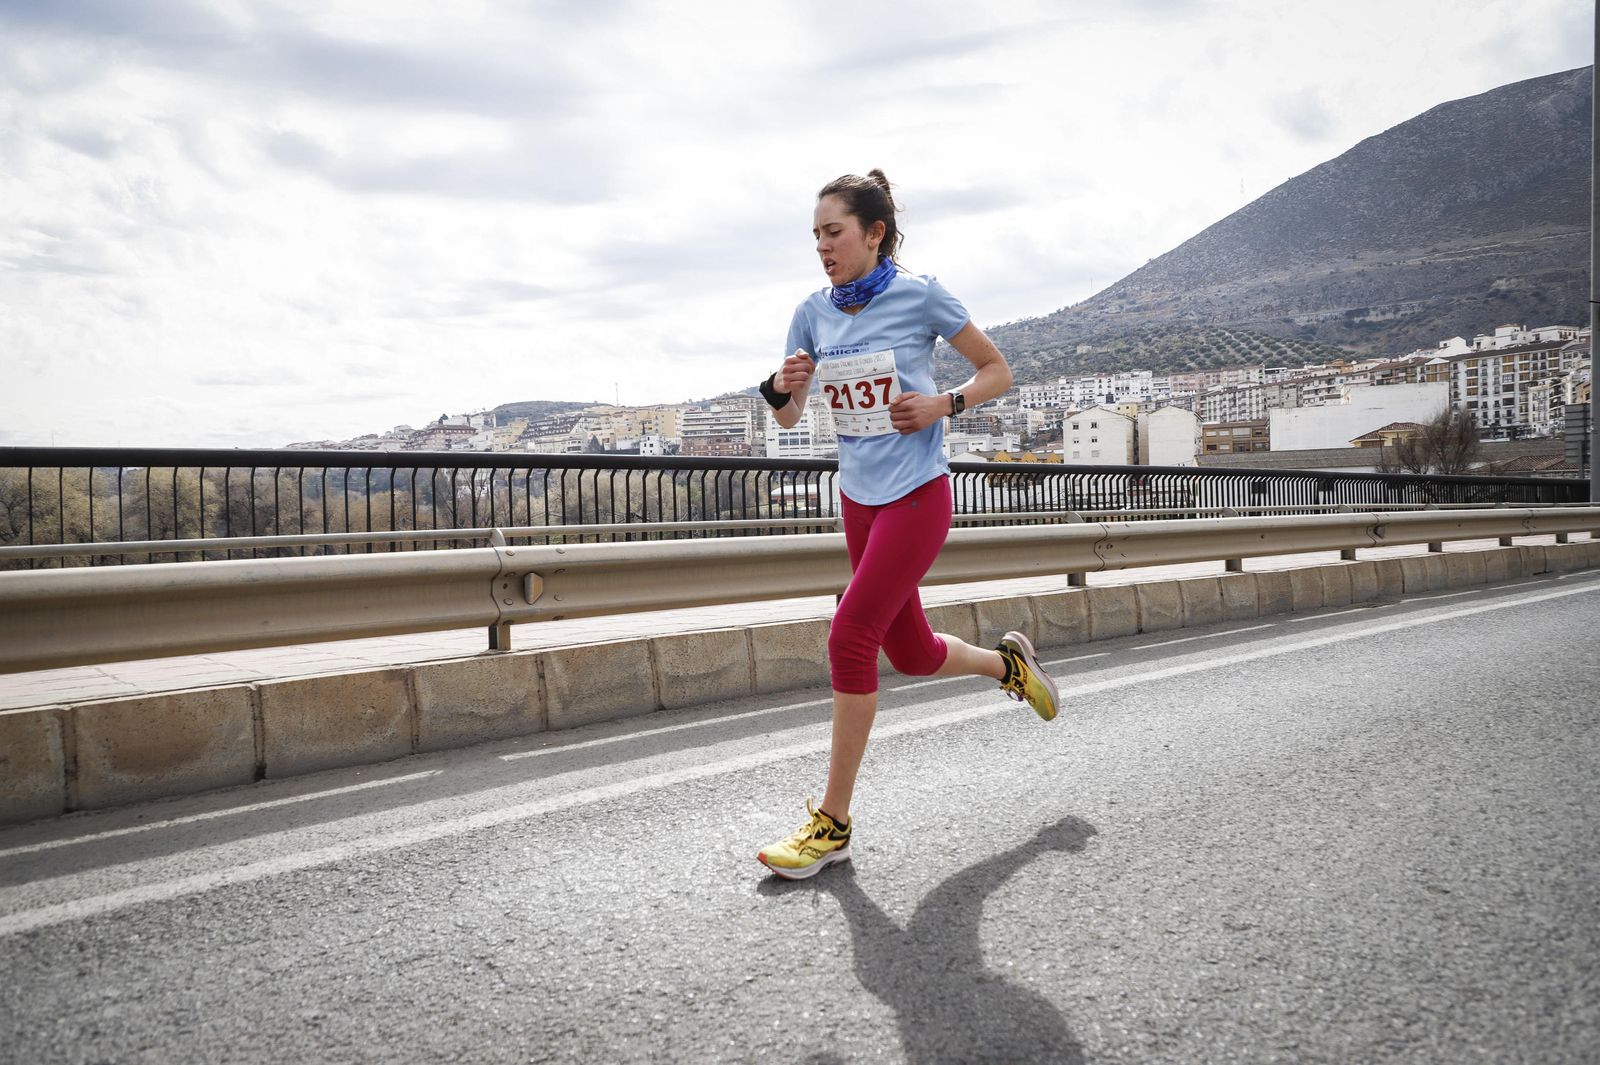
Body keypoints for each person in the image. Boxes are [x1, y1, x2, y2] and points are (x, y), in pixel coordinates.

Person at [756, 169, 1061, 881]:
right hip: (857, 498)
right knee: (915, 651)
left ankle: (831, 827)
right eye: (816, 236)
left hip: (918, 495)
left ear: (875, 233)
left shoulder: (919, 293)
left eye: (834, 233)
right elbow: (792, 416)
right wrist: (780, 391)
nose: (823, 247)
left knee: (850, 635)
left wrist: (942, 405)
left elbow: (997, 369)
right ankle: (1008, 664)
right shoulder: (811, 312)